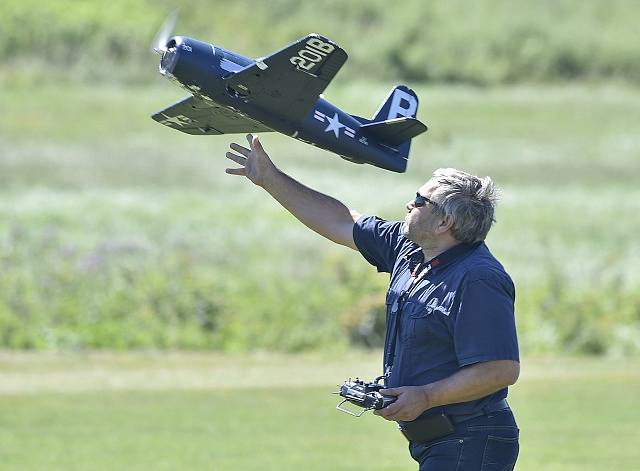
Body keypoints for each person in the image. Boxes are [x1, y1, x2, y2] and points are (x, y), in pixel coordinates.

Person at [225, 134, 521, 471]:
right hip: (439, 440)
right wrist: (269, 178)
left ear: (444, 223)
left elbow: (500, 369)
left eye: (420, 200)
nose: (410, 204)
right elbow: (343, 221)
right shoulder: (411, 249)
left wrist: (426, 396)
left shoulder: (477, 278)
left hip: (471, 440)